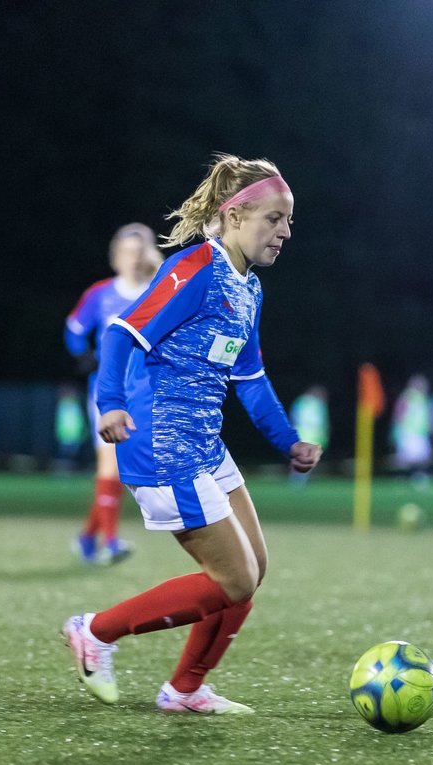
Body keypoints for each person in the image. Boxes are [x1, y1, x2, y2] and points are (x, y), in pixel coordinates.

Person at [62, 154, 321, 714]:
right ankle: (96, 630)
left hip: (204, 444)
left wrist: (288, 440)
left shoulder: (247, 287)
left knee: (253, 571)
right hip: (160, 444)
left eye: (289, 222)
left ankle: (184, 690)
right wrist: (108, 403)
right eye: (273, 219)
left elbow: (249, 379)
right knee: (233, 578)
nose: (284, 232)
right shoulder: (195, 267)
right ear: (233, 216)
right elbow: (120, 333)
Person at [64, 223, 164, 565]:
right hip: (106, 394)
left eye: (139, 252)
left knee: (120, 472)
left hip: (144, 394)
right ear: (115, 256)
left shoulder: (157, 292)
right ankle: (111, 542)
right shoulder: (101, 294)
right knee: (109, 463)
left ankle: (88, 537)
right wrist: (83, 355)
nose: (133, 259)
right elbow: (74, 329)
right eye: (126, 252)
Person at [392, 374, 432, 488]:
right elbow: (398, 415)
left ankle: (419, 478)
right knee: (405, 458)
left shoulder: (423, 398)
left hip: (421, 433)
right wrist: (397, 431)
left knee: (423, 457)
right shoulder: (407, 397)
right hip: (408, 433)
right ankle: (401, 478)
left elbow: (426, 416)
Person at [288, 385, 329, 486]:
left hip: (306, 434)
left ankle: (298, 479)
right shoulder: (317, 404)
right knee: (305, 458)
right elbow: (322, 422)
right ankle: (298, 480)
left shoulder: (302, 401)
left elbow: (293, 416)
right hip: (309, 435)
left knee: (302, 458)